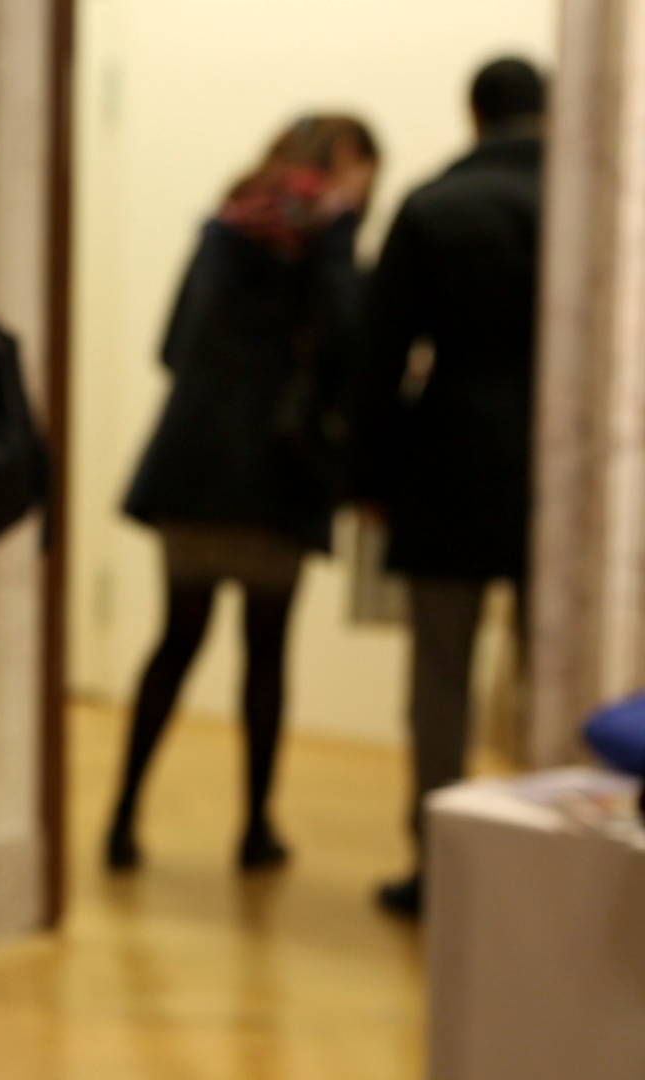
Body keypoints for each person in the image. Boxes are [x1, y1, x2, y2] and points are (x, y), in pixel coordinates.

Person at [110, 115, 379, 873]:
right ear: (347, 162)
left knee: (175, 642)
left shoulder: (226, 224)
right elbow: (348, 346)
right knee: (265, 654)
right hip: (275, 475)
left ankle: (121, 819)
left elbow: (170, 346)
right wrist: (339, 236)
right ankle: (255, 829)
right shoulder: (324, 235)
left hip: (193, 469)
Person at [348, 58, 546, 920]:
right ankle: (552, 863)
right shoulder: (592, 204)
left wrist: (368, 476)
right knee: (553, 673)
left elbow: (380, 355)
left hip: (447, 459)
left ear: (474, 117)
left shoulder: (434, 205)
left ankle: (441, 870)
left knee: (440, 680)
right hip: (559, 465)